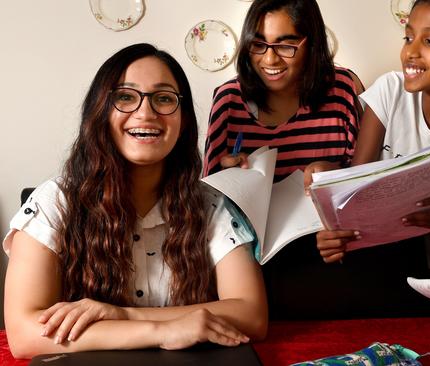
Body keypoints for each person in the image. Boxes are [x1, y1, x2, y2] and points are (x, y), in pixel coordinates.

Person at [3, 43, 267, 359]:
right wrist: (164, 331)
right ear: (99, 111)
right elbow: (24, 334)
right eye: (126, 97)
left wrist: (122, 315)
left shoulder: (211, 205)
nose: (146, 112)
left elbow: (252, 315)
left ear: (183, 121)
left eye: (164, 98)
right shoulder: (54, 202)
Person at [313, 0, 430, 270]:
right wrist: (334, 224)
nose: (411, 51)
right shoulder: (391, 90)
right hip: (380, 256)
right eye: (408, 37)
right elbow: (356, 182)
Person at [203, 0, 363, 182]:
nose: (270, 60)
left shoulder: (342, 88)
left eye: (286, 46)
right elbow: (208, 198)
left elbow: (366, 174)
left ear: (312, 44)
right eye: (258, 44)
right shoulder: (228, 100)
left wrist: (334, 171)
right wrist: (229, 179)